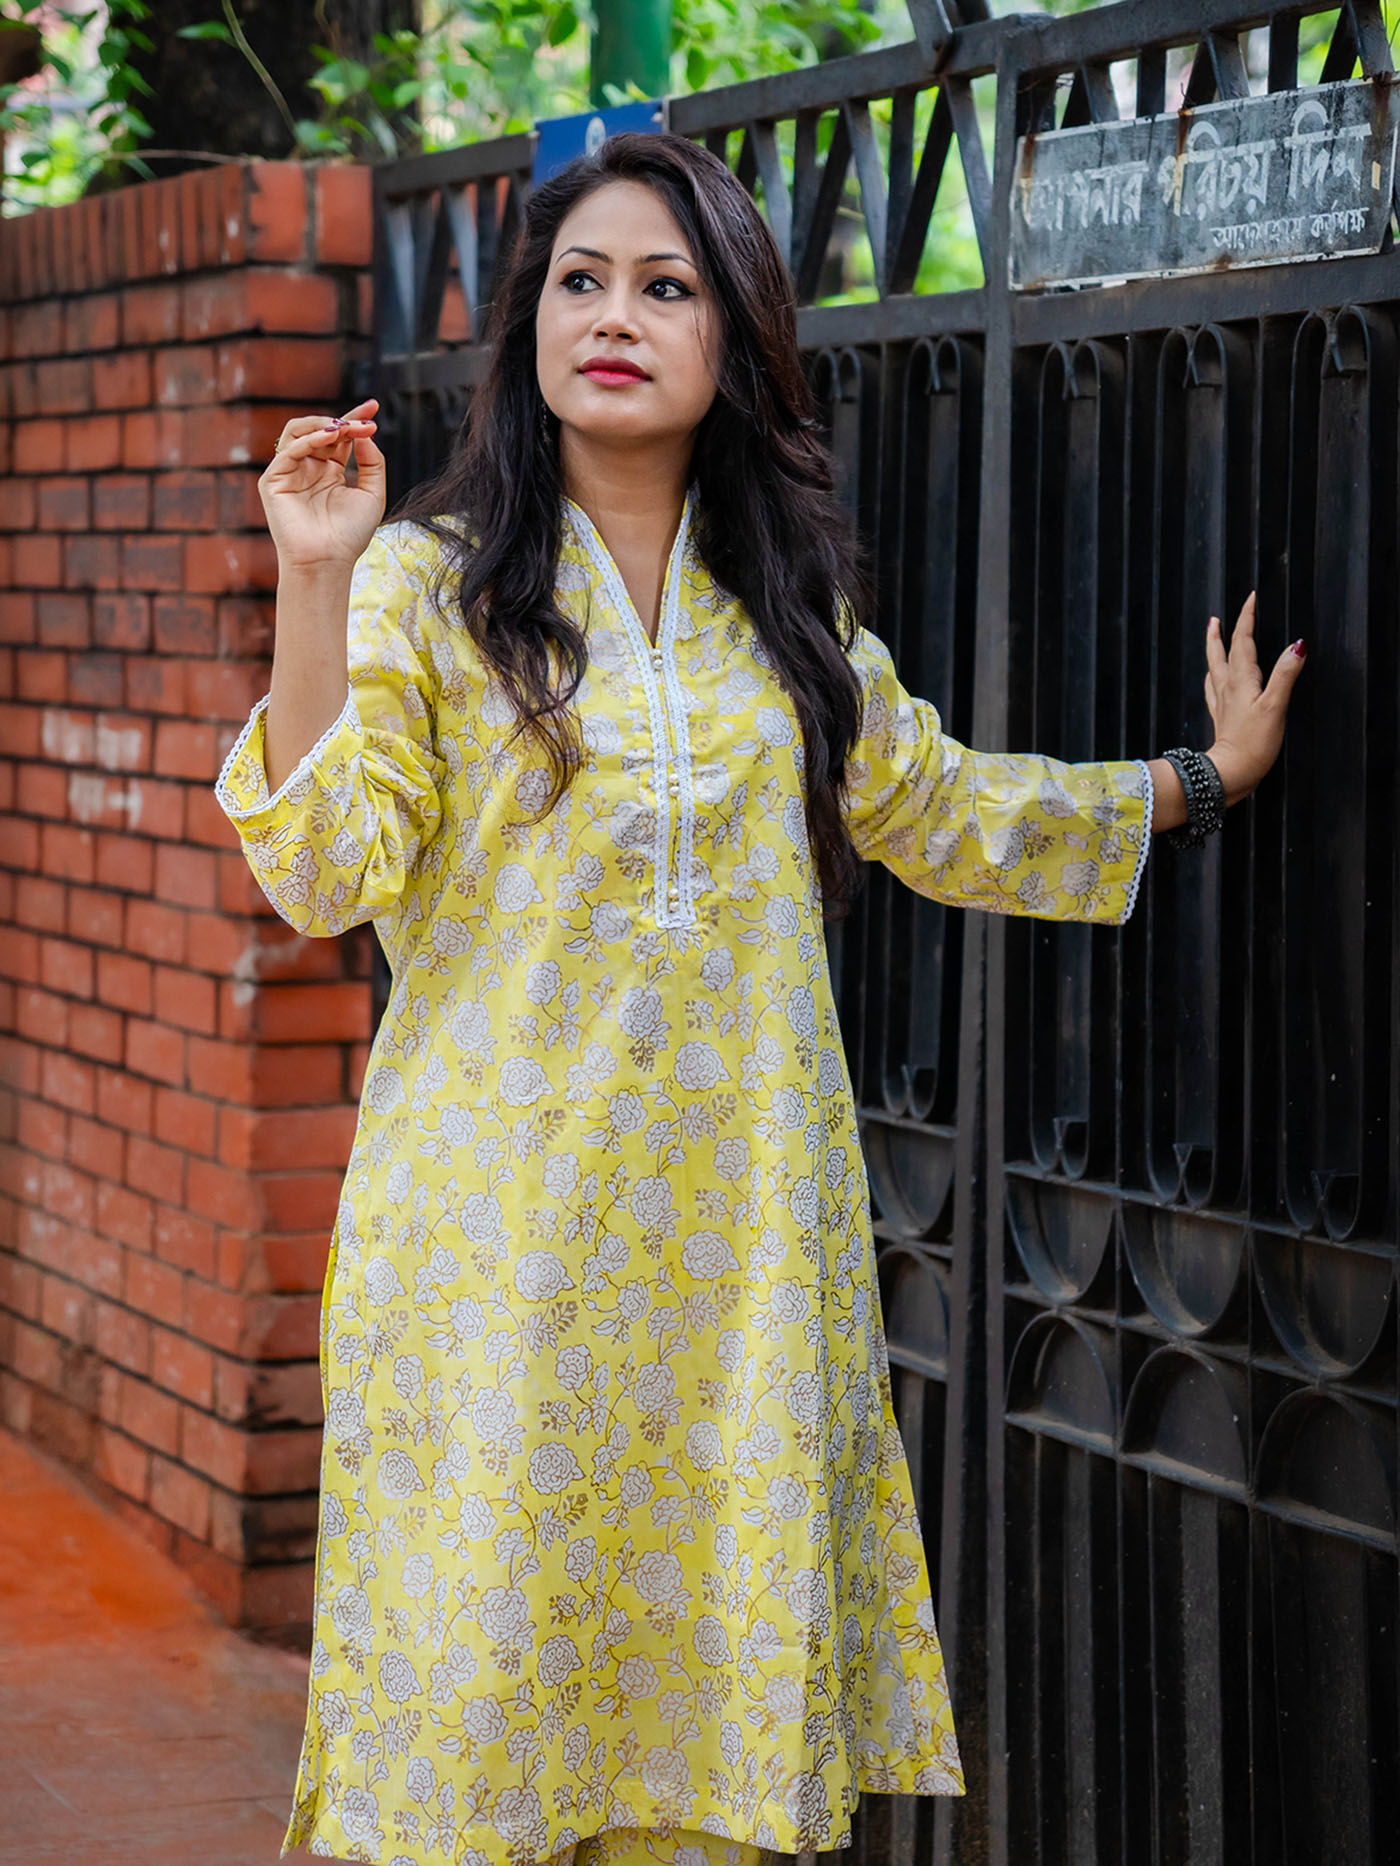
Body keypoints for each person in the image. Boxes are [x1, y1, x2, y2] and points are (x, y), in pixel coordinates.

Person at [214, 132, 1303, 1866]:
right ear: (531, 323)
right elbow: (325, 865)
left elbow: (945, 806)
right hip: (495, 1261)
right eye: (582, 281)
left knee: (707, 1737)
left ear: (735, 338)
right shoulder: (431, 588)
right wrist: (317, 570)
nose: (615, 316)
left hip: (737, 1268)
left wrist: (1202, 777)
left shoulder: (788, 616)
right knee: (476, 1724)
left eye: (666, 286)